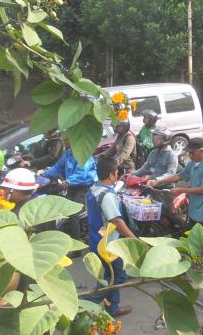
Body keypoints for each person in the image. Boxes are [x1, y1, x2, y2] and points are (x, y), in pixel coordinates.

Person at [86, 157, 135, 317]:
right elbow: (117, 221)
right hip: (109, 245)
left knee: (109, 275)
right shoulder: (107, 196)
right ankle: (85, 304)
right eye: (116, 173)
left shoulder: (93, 190)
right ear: (112, 175)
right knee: (118, 276)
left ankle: (112, 308)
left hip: (96, 240)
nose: (117, 176)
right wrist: (134, 240)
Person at [151, 137, 203, 231]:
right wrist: (158, 182)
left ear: (202, 151)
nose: (191, 155)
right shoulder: (192, 164)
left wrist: (181, 190)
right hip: (193, 206)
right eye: (189, 153)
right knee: (189, 233)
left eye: (193, 152)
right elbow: (178, 176)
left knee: (200, 236)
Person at [42, 136, 98, 240]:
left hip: (83, 186)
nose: (64, 142)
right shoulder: (68, 153)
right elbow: (58, 167)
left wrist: (68, 181)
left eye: (66, 140)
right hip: (71, 185)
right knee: (62, 206)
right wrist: (44, 174)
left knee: (73, 212)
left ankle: (76, 242)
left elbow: (82, 174)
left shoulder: (82, 153)